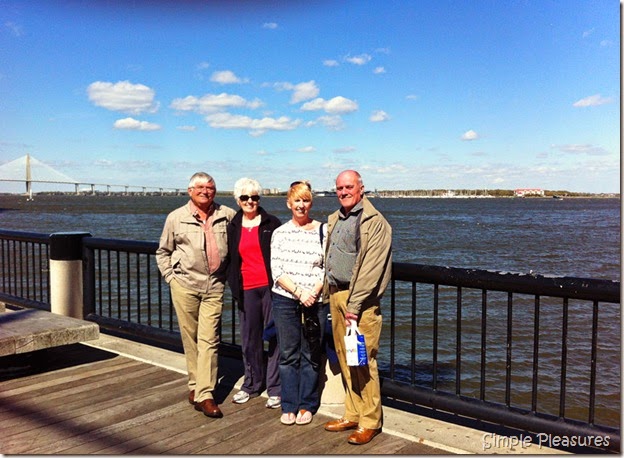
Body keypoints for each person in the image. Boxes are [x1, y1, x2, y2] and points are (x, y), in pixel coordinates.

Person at [156, 172, 236, 419]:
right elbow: (163, 251)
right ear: (190, 191)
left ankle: (205, 394)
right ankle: (195, 385)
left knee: (209, 339)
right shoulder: (176, 218)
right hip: (185, 285)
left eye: (210, 187)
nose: (205, 191)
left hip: (215, 286)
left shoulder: (227, 215)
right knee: (190, 338)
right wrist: (170, 278)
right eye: (200, 187)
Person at [322, 170, 392, 445]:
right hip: (336, 296)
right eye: (339, 188)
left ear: (361, 188)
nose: (344, 192)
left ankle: (370, 421)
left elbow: (371, 269)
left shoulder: (375, 222)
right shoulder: (336, 218)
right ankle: (352, 413)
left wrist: (354, 304)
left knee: (363, 361)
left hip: (360, 303)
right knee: (345, 357)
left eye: (349, 187)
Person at [270, 180, 328, 426]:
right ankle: (289, 405)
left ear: (311, 203)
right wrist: (298, 293)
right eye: (297, 200)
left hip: (315, 299)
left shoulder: (324, 230)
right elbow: (277, 270)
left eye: (305, 200)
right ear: (289, 204)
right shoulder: (280, 233)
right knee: (288, 354)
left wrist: (312, 292)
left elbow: (327, 267)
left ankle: (307, 404)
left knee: (311, 354)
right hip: (285, 300)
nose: (301, 205)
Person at [226, 178, 282, 408]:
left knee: (275, 337)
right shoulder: (233, 226)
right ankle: (252, 384)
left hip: (270, 289)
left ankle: (275, 388)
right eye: (245, 197)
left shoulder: (272, 223)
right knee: (250, 340)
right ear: (238, 200)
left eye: (254, 197)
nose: (250, 201)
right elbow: (229, 258)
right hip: (246, 289)